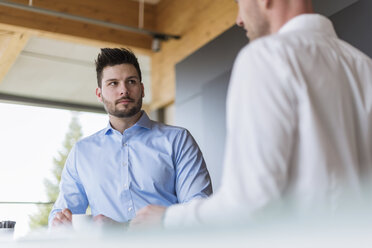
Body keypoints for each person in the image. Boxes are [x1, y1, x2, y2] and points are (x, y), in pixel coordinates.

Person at [131, 0, 372, 228]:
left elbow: (249, 205)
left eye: (239, 3)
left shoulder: (265, 56)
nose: (239, 20)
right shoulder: (363, 66)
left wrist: (165, 220)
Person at [48, 48, 212, 227]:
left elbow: (199, 208)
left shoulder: (178, 140)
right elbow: (63, 213)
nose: (124, 90)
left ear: (142, 89)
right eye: (113, 83)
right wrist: (59, 221)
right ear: (99, 94)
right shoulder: (82, 152)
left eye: (131, 82)